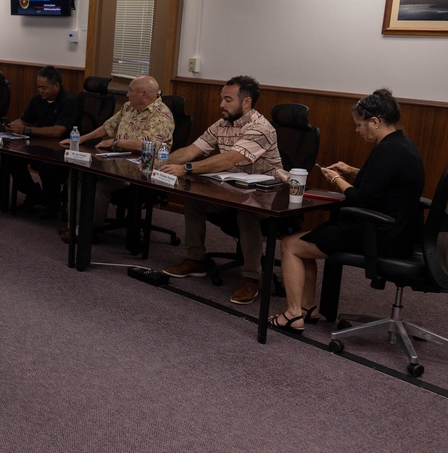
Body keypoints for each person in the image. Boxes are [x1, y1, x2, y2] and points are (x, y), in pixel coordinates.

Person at [272, 89, 425, 332]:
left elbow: (362, 200)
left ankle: (293, 314)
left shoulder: (385, 151)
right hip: (400, 232)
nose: (357, 131)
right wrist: (351, 170)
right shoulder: (403, 145)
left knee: (291, 244)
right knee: (305, 244)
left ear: (375, 121)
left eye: (359, 125)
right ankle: (308, 307)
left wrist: (335, 180)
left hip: (377, 234)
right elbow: (384, 182)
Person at [160, 75, 283, 305]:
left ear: (246, 103)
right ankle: (196, 259)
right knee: (194, 199)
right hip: (230, 190)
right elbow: (191, 150)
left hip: (265, 197)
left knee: (247, 210)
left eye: (228, 100)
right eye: (221, 99)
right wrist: (160, 162)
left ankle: (251, 278)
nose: (221, 105)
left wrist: (186, 168)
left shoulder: (261, 128)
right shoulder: (222, 124)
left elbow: (229, 159)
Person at [58, 75, 173, 236]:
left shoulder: (162, 116)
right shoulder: (128, 107)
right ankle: (75, 224)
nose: (127, 95)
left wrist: (115, 142)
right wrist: (79, 138)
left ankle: (87, 230)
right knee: (77, 173)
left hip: (140, 170)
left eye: (131, 91)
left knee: (101, 184)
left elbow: (144, 144)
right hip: (116, 161)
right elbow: (108, 127)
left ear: (144, 94)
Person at [5, 66, 78, 220]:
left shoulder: (68, 102)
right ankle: (34, 193)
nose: (40, 91)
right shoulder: (38, 99)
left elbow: (57, 131)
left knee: (47, 166)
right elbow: (24, 120)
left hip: (61, 149)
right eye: (38, 87)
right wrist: (12, 125)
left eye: (44, 88)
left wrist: (26, 130)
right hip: (38, 146)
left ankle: (53, 205)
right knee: (12, 157)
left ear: (56, 85)